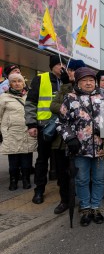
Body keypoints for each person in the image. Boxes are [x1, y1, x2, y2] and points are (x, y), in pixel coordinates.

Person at [58, 67, 104, 227]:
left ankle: (95, 207)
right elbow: (61, 122)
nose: (88, 83)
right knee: (81, 180)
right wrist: (70, 138)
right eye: (84, 80)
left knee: (99, 179)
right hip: (79, 149)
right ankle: (85, 208)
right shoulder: (70, 98)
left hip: (101, 147)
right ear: (78, 82)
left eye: (91, 80)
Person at [25, 55, 64, 204]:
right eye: (59, 64)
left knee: (61, 161)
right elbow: (30, 103)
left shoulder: (67, 80)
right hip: (44, 126)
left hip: (62, 127)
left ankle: (63, 192)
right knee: (42, 160)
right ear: (52, 66)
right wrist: (31, 124)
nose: (62, 67)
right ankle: (39, 190)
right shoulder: (40, 79)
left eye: (63, 64)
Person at [49, 59, 85, 214]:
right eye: (68, 70)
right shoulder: (64, 87)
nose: (68, 72)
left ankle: (85, 200)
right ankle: (65, 200)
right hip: (62, 140)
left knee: (81, 173)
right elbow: (54, 106)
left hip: (81, 139)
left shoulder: (84, 87)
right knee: (63, 174)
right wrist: (65, 86)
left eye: (72, 70)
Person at [0, 72, 36, 190]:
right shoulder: (4, 97)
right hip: (11, 132)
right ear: (10, 84)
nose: (17, 84)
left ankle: (26, 180)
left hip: (27, 131)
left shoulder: (30, 96)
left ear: (23, 83)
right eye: (14, 81)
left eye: (19, 81)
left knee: (26, 158)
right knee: (13, 160)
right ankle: (13, 181)